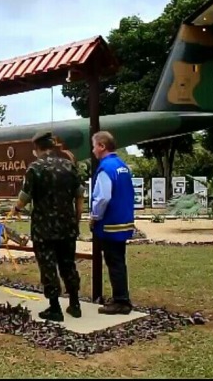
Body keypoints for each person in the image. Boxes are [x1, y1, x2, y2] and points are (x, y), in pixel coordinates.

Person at [10, 130, 85, 322]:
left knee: (48, 266)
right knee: (68, 264)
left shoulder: (35, 168)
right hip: (67, 226)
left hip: (44, 229)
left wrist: (16, 209)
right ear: (52, 145)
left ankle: (54, 307)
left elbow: (24, 198)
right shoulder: (69, 166)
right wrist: (76, 219)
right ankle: (75, 304)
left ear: (37, 148)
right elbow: (79, 196)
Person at [89, 131, 135, 315]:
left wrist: (94, 217)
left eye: (93, 146)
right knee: (119, 262)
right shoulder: (122, 166)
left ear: (102, 146)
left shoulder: (105, 168)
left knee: (114, 262)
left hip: (110, 224)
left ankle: (121, 302)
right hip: (123, 221)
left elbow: (102, 198)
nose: (92, 150)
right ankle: (121, 297)